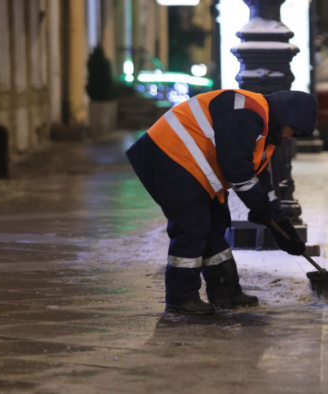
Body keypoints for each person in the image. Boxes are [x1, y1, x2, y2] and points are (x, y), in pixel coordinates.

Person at [126, 89, 318, 315]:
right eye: (292, 129)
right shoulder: (247, 112)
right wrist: (260, 208)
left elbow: (259, 177)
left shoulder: (264, 129)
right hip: (168, 156)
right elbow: (237, 170)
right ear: (286, 115)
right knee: (192, 227)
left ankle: (226, 292)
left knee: (216, 224)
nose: (288, 136)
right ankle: (181, 298)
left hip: (192, 167)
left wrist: (280, 225)